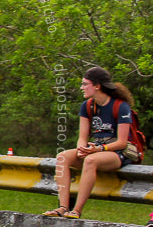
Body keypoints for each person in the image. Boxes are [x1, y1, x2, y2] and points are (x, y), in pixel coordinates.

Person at [43, 67, 137, 219]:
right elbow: (82, 136)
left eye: (85, 84)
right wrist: (82, 148)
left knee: (90, 160)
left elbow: (122, 142)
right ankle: (63, 207)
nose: (81, 88)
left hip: (116, 153)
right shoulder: (87, 106)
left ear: (97, 86)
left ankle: (77, 210)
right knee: (62, 157)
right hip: (95, 149)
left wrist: (99, 149)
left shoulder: (120, 106)